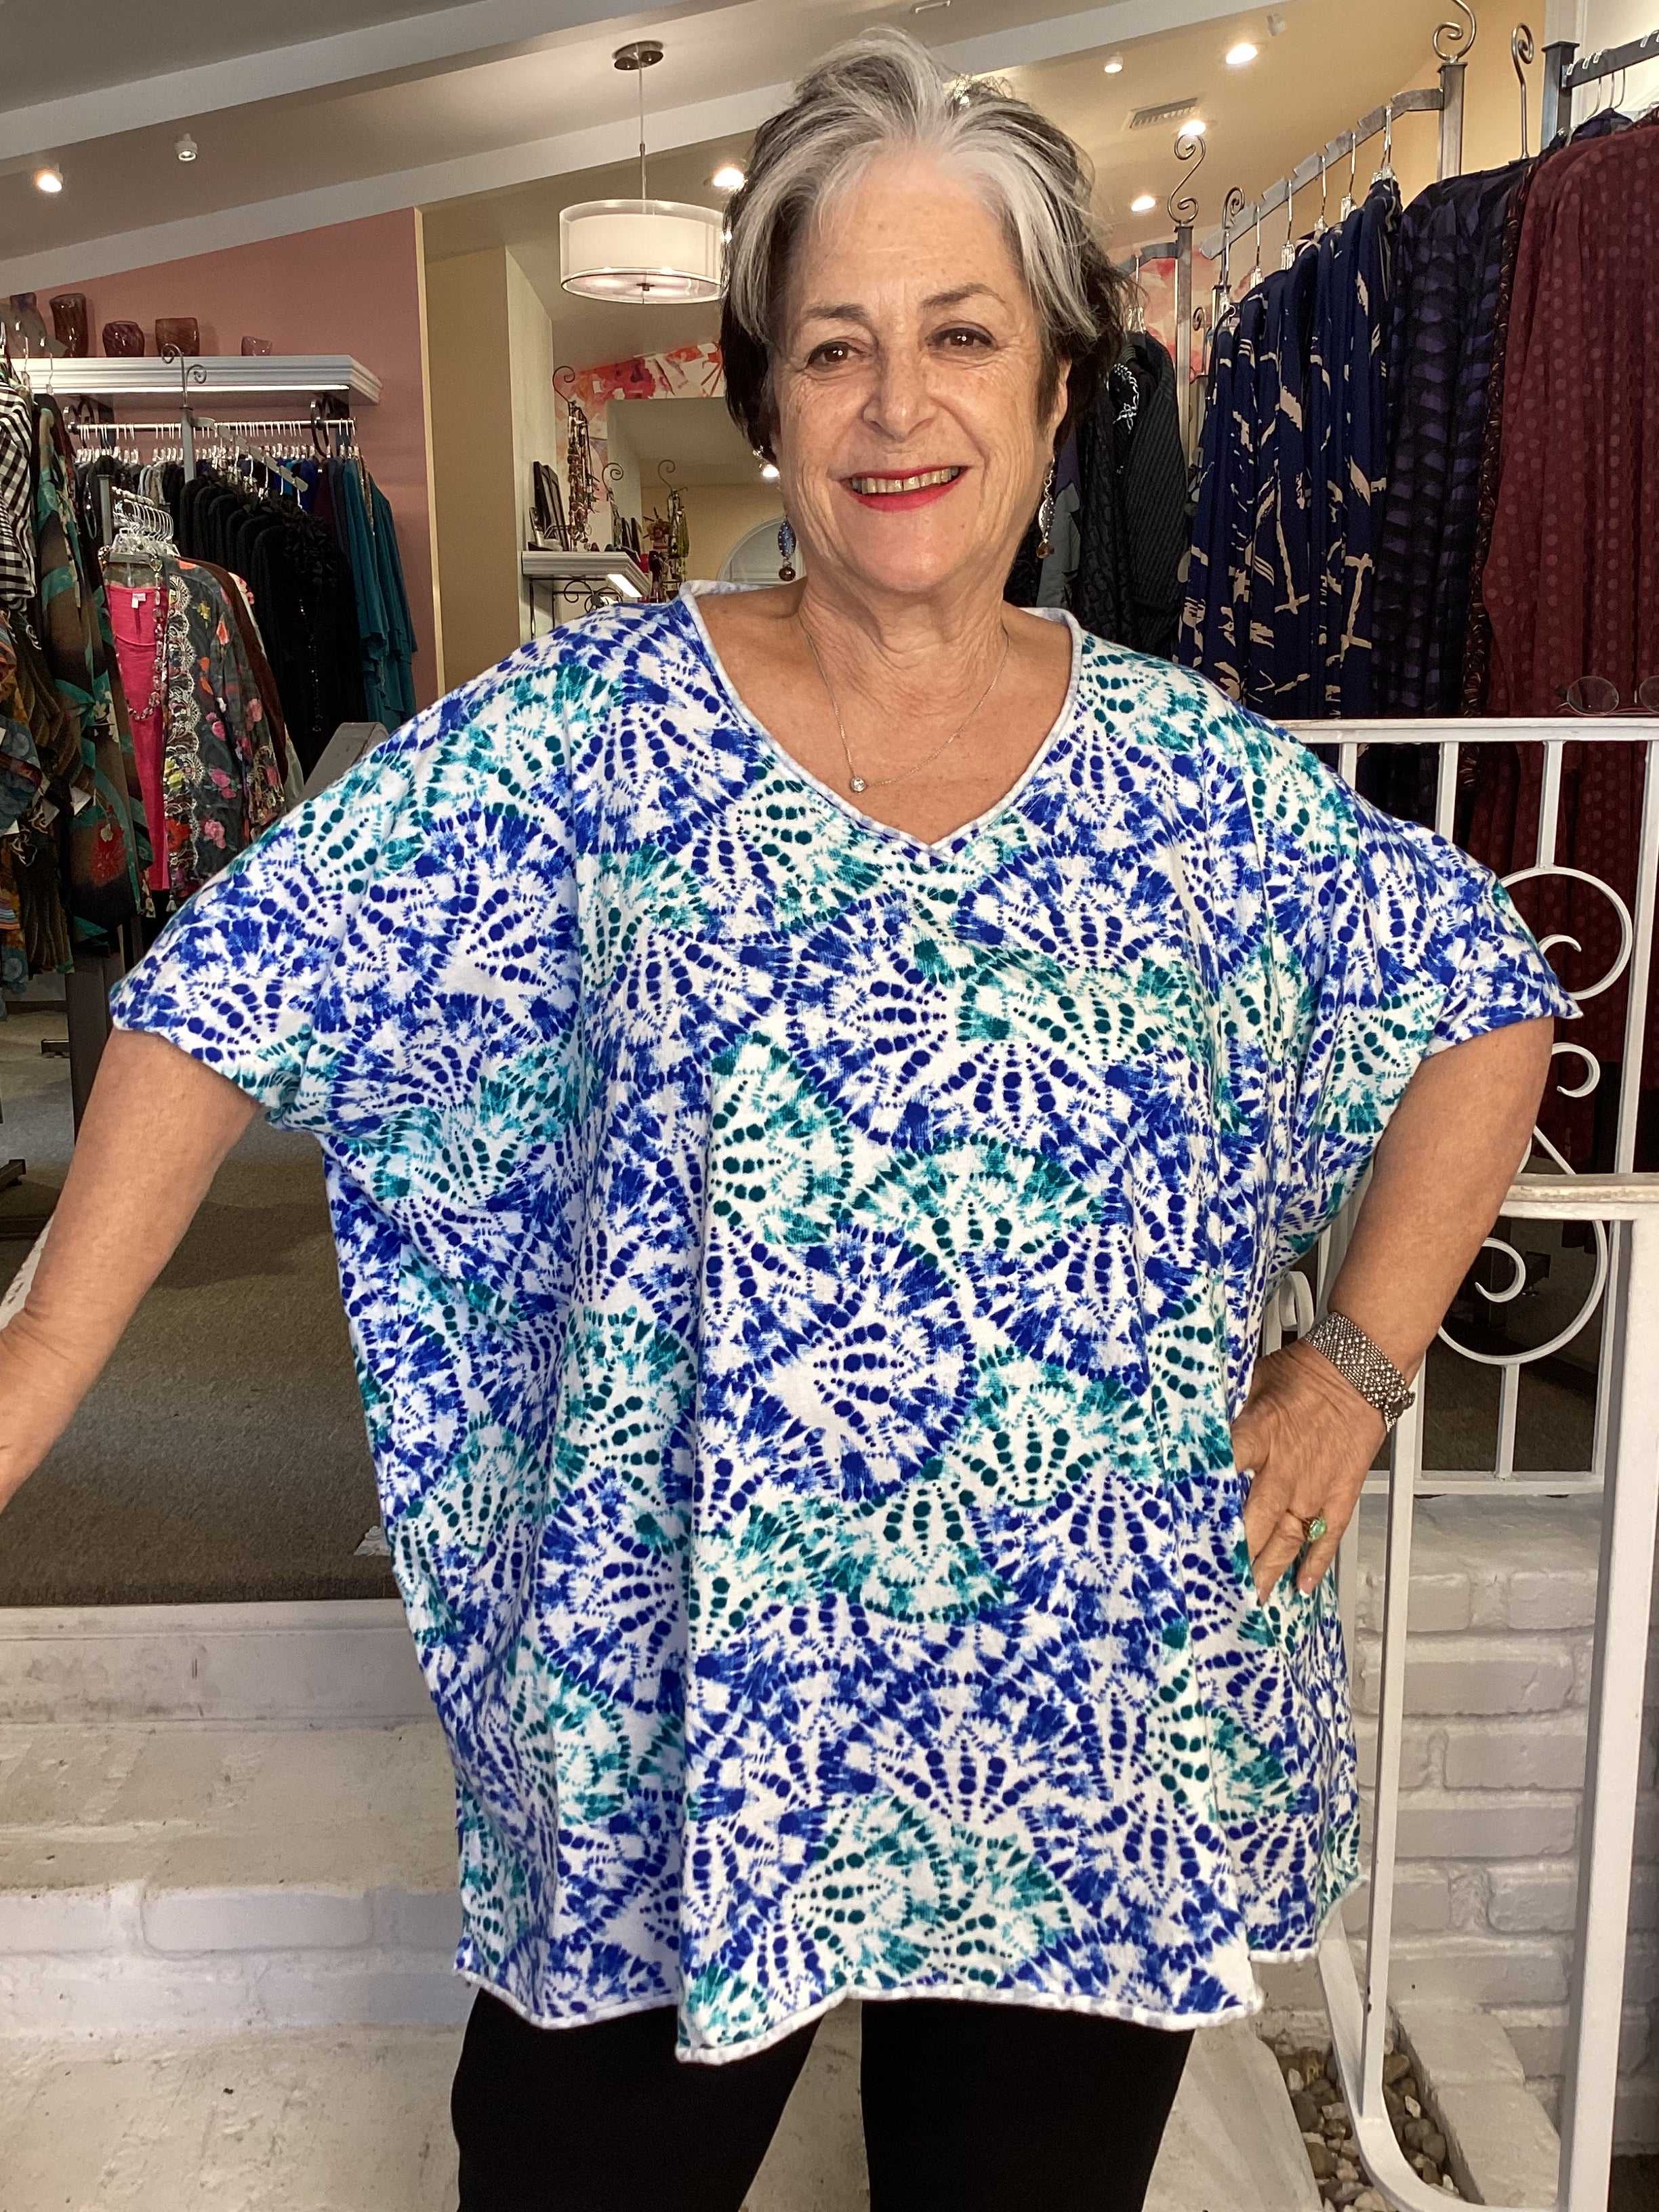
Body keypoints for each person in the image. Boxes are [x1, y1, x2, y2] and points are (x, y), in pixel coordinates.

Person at [0, 31, 1570, 2212]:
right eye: (836, 347)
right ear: (764, 399)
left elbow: (1485, 997)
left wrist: (1356, 1372)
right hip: (684, 1689)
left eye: (962, 337)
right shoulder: (583, 738)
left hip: (1085, 1707)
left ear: (1060, 387)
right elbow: (235, 982)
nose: (898, 405)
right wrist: (39, 1360)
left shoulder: (1196, 781)